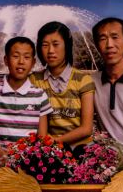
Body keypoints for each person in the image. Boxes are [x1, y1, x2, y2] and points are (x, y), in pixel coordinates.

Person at [32, 21, 94, 155]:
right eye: (44, 45)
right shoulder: (34, 80)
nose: (50, 51)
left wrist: (54, 142)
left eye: (56, 44)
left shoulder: (83, 80)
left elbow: (86, 128)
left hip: (80, 148)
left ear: (67, 45)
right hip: (46, 148)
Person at [0, 37, 52, 144]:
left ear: (33, 62)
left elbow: (41, 137)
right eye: (15, 56)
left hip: (28, 158)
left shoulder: (40, 96)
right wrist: (1, 154)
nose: (21, 62)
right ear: (6, 60)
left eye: (27, 57)